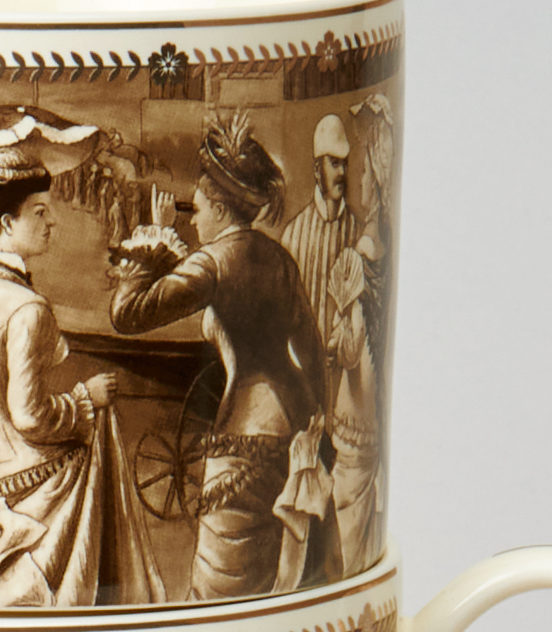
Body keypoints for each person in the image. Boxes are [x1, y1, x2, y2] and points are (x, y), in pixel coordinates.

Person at [0, 148, 164, 608]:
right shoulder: (27, 309)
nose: (51, 221)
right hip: (19, 485)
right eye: (39, 212)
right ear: (6, 224)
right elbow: (30, 417)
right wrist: (85, 400)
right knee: (93, 452)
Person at [110, 114, 339, 599]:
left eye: (197, 209)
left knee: (223, 587)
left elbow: (127, 315)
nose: (193, 220)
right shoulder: (278, 258)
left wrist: (153, 240)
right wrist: (318, 430)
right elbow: (312, 349)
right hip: (295, 432)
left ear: (218, 207)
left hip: (244, 442)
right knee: (278, 575)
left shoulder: (212, 261)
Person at [326, 96, 397, 577]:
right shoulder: (386, 241)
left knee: (345, 528)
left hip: (353, 414)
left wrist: (336, 327)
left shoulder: (359, 252)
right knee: (365, 527)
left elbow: (350, 351)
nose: (357, 177)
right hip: (375, 416)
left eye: (362, 168)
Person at [279, 113, 358, 383]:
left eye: (344, 164)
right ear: (316, 170)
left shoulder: (356, 232)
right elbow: (284, 315)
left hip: (346, 378)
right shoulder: (293, 235)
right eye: (334, 164)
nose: (342, 173)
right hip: (302, 375)